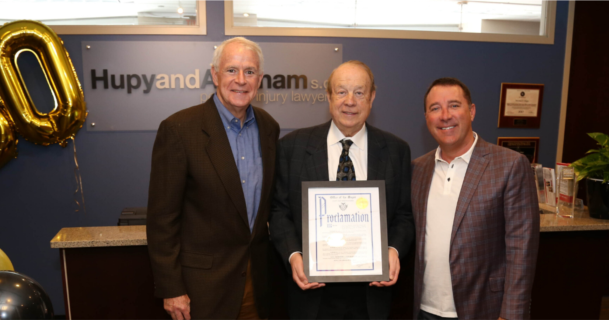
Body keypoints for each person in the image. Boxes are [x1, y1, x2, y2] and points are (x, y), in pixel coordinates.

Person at [146, 37, 280, 320]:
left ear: (260, 79)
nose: (241, 80)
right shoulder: (179, 130)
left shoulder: (269, 128)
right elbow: (162, 219)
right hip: (201, 290)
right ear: (215, 74)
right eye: (232, 70)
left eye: (250, 72)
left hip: (257, 284)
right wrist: (171, 288)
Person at [269, 60, 414, 319]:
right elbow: (279, 211)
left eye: (359, 92)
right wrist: (293, 255)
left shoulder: (396, 150)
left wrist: (393, 250)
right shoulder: (292, 147)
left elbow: (404, 215)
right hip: (311, 293)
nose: (350, 101)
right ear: (328, 96)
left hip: (372, 294)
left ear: (372, 97)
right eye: (341, 91)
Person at [412, 77, 539, 320]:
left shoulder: (510, 165)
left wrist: (511, 314)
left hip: (483, 309)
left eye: (454, 105)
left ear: (471, 111)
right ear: (427, 117)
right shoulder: (417, 169)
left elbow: (522, 249)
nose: (445, 115)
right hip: (424, 309)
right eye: (435, 108)